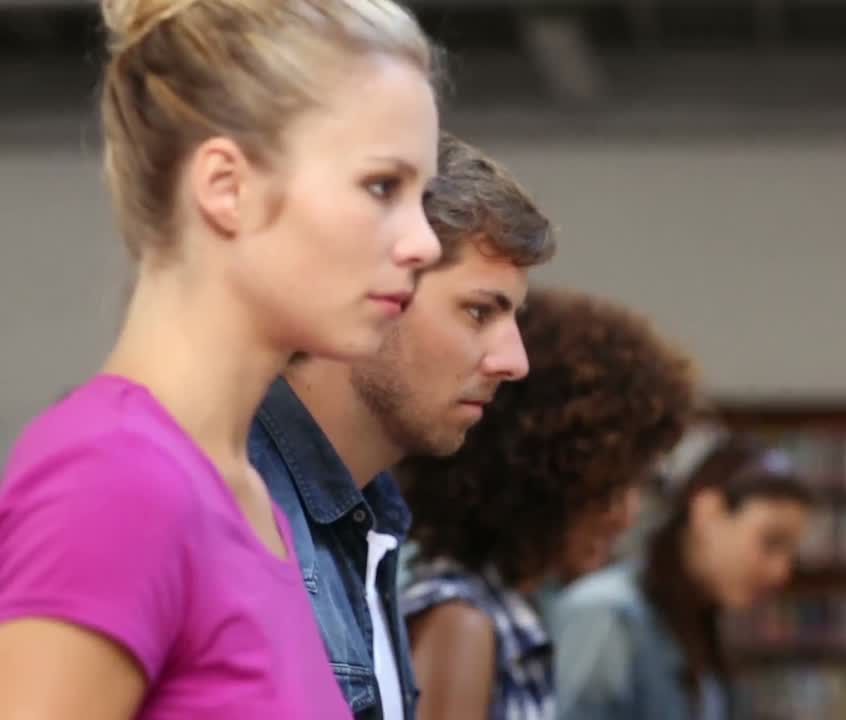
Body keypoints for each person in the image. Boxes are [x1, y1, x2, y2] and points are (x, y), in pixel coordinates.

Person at [0, 1, 441, 718]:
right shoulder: (114, 479)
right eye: (382, 187)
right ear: (226, 187)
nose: (423, 242)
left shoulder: (247, 496)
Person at [249, 131, 555, 719]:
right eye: (478, 311)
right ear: (372, 289)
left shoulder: (372, 525)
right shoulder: (239, 504)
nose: (514, 360)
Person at [399, 287, 698, 720]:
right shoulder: (462, 619)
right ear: (543, 477)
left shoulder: (507, 607)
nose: (625, 515)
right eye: (609, 489)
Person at [550, 435, 815, 720]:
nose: (781, 572)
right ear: (707, 511)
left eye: (791, 554)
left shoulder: (693, 627)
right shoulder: (605, 616)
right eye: (771, 541)